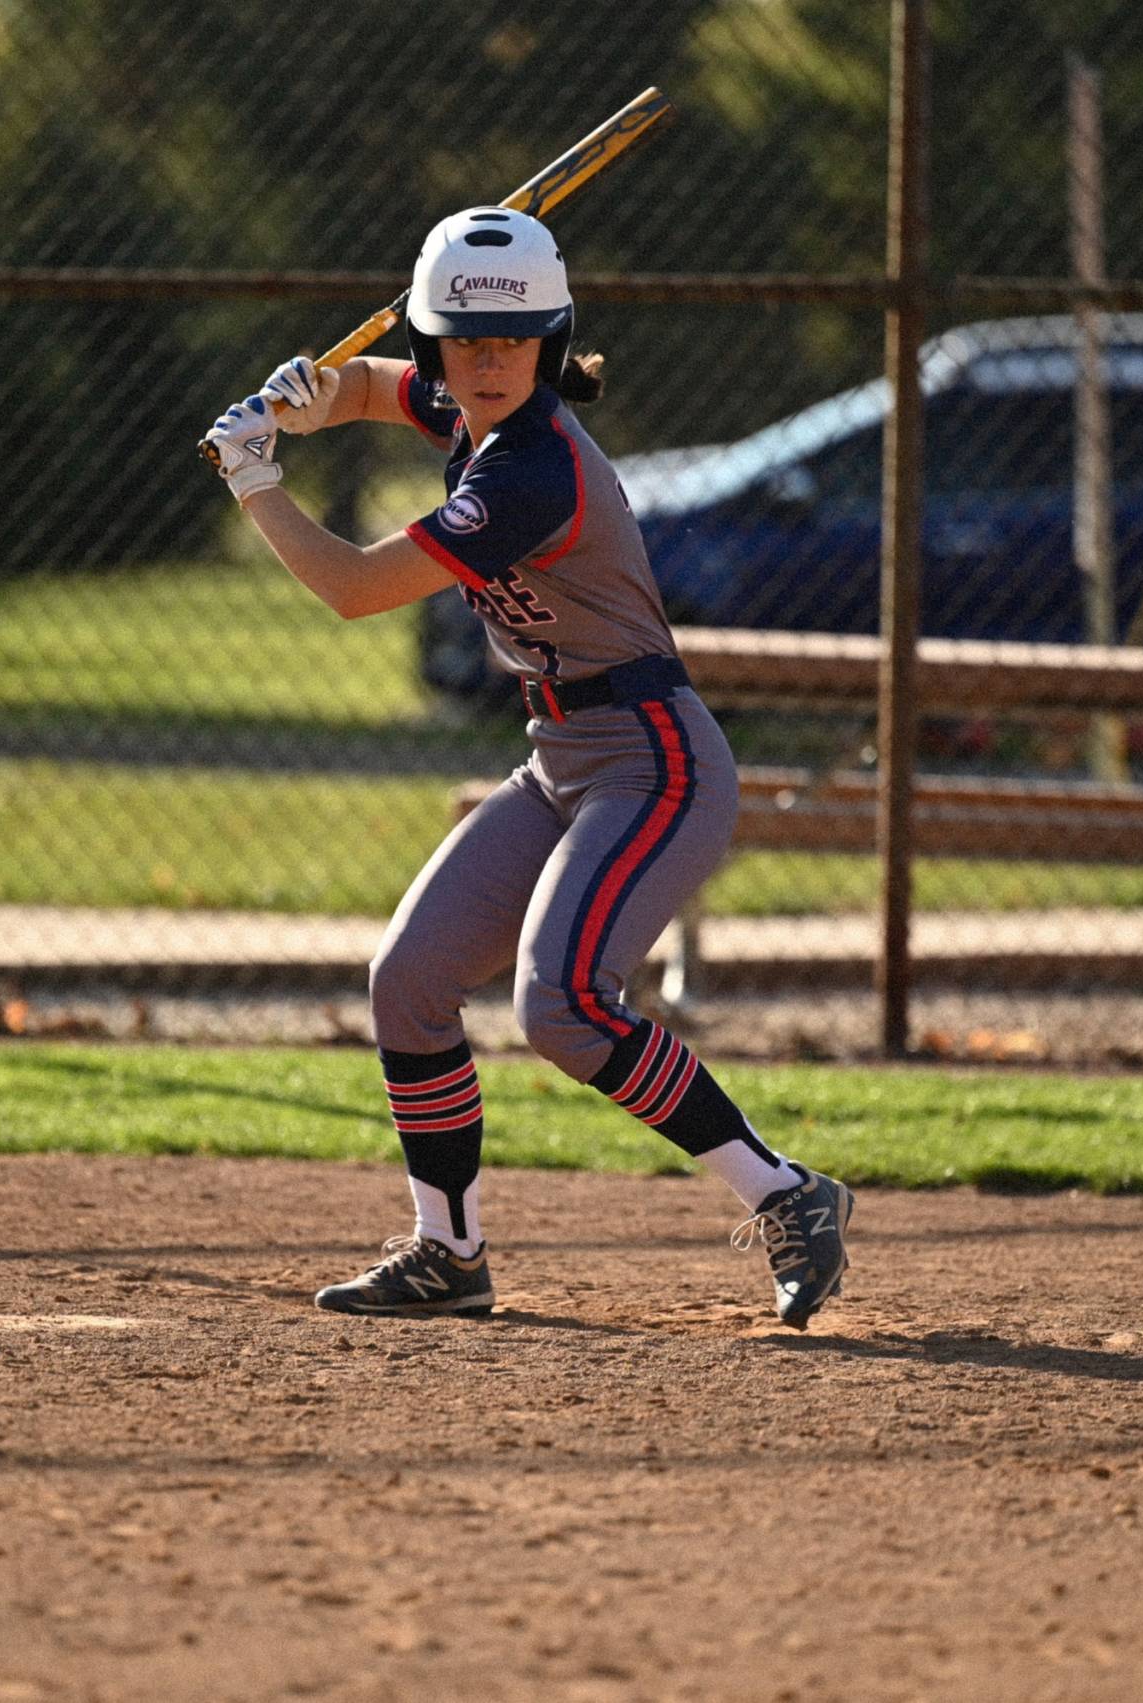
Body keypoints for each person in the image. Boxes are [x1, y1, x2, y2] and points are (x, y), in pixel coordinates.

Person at [198, 206, 854, 1328]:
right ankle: (448, 1252)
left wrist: (257, 479)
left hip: (654, 763)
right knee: (406, 980)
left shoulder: (531, 470)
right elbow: (371, 389)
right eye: (462, 339)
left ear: (549, 345)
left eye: (510, 342)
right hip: (561, 759)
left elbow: (356, 587)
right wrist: (317, 386)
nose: (484, 362)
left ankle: (787, 1194)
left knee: (561, 1005)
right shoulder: (462, 398)